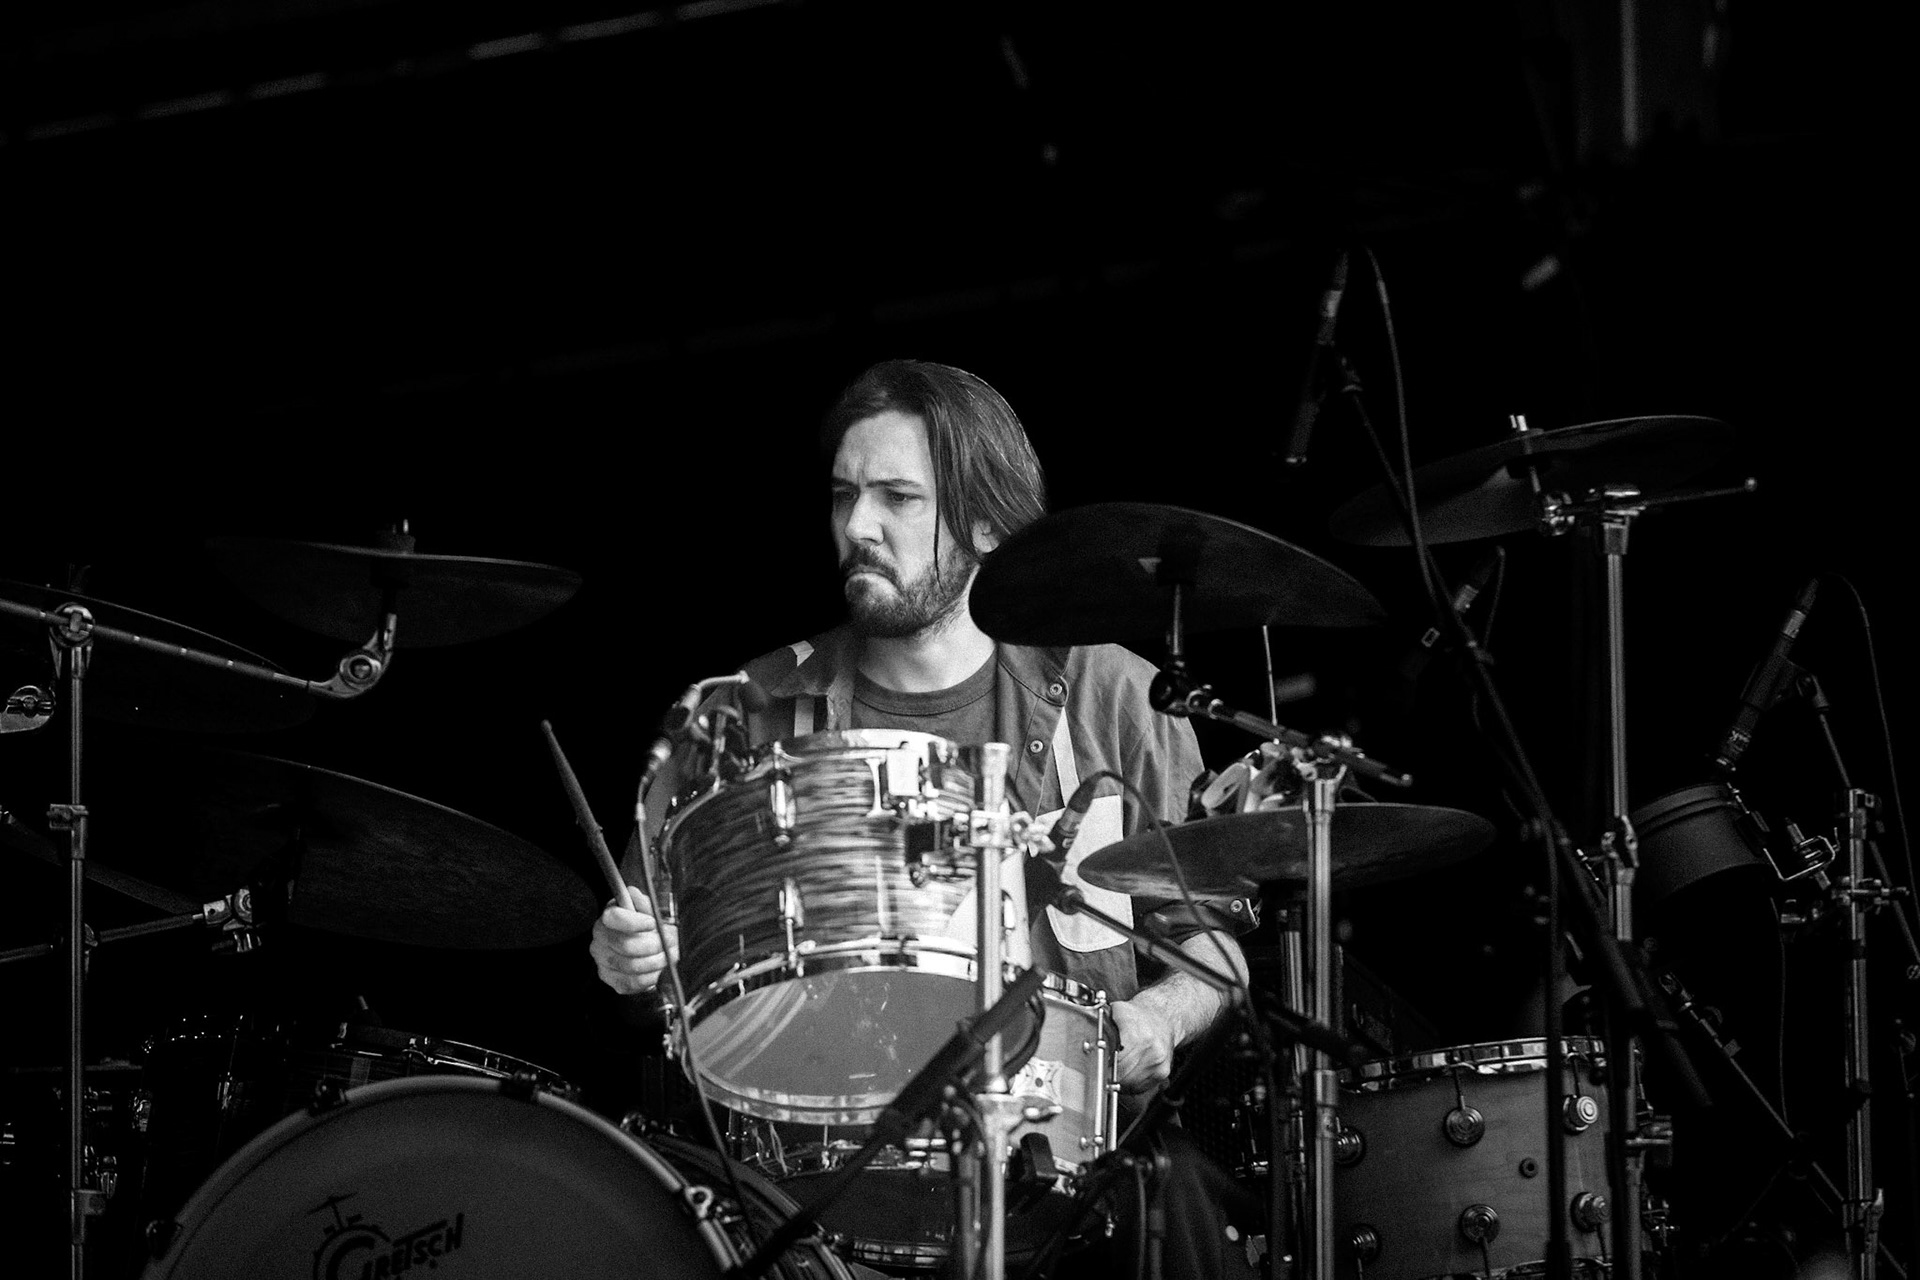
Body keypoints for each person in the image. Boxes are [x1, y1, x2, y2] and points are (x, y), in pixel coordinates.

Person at [591, 359, 1256, 1279]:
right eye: (843, 496)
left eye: (896, 498)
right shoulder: (743, 712)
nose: (856, 527)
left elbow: (1215, 948)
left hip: (1069, 1168)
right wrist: (630, 963)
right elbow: (659, 987)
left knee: (1179, 1196)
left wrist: (1154, 1019)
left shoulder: (1117, 695)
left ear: (987, 521)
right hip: (808, 1178)